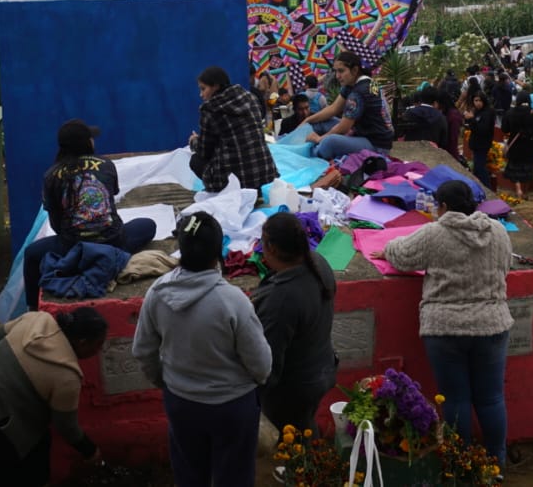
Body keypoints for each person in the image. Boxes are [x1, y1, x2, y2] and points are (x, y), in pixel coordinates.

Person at [133, 211, 272, 487]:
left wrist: (168, 382)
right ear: (218, 251)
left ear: (180, 250)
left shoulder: (157, 293)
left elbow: (143, 351)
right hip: (231, 407)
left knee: (189, 473)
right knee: (233, 476)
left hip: (181, 402)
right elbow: (262, 365)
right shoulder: (233, 301)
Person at [382, 180, 513, 463]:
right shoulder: (499, 232)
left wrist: (388, 248)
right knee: (491, 398)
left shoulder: (434, 233)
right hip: (492, 324)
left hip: (445, 328)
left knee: (456, 400)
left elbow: (401, 256)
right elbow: (505, 266)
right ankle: (496, 462)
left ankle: (459, 462)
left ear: (441, 206)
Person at [0, 306, 109, 487]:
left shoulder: (38, 319)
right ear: (83, 342)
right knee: (27, 462)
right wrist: (90, 451)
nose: (99, 350)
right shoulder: (67, 375)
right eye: (98, 344)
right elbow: (66, 427)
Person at [22, 120, 158, 312]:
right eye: (91, 138)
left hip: (73, 248)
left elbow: (56, 225)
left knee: (31, 254)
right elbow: (110, 201)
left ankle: (32, 309)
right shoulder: (106, 165)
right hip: (114, 242)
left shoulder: (51, 176)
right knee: (148, 225)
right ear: (86, 143)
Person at [251, 211, 337, 436]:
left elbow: (268, 364)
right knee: (305, 426)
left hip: (294, 388)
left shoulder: (281, 299)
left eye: (262, 242)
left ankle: (307, 468)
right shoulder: (318, 263)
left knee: (290, 443)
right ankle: (317, 463)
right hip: (320, 370)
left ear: (273, 249)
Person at [190, 66, 280, 193]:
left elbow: (204, 151)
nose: (201, 95)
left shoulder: (210, 109)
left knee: (195, 160)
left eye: (203, 89)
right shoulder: (251, 98)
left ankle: (224, 190)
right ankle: (254, 190)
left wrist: (194, 141)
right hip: (265, 175)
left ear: (215, 86)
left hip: (236, 181)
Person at [301, 50, 395, 161]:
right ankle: (304, 141)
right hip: (362, 133)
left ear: (355, 70)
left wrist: (319, 139)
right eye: (335, 71)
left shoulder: (359, 92)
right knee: (321, 121)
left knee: (329, 141)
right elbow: (333, 108)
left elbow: (344, 127)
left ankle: (308, 154)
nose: (337, 76)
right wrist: (307, 120)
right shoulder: (355, 84)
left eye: (341, 71)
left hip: (376, 144)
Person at [466, 91, 497, 189]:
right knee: (477, 168)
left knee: (480, 168)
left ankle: (488, 188)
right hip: (476, 144)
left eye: (480, 100)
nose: (477, 103)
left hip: (482, 144)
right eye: (475, 100)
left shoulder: (488, 112)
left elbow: (483, 129)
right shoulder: (476, 112)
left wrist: (472, 119)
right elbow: (473, 127)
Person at [433, 90, 466, 163]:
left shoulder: (453, 116)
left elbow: (453, 139)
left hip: (450, 154)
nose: (434, 105)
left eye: (435, 102)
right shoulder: (445, 113)